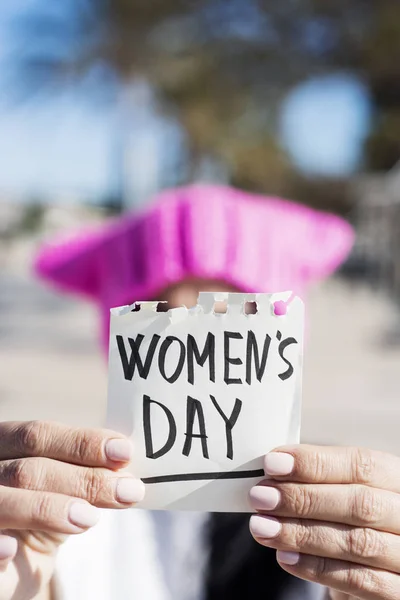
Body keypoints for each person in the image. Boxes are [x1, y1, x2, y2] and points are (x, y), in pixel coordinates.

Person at [2, 185, 399, 600]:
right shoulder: (68, 517)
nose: (188, 336)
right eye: (157, 311)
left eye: (227, 309)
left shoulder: (337, 513)